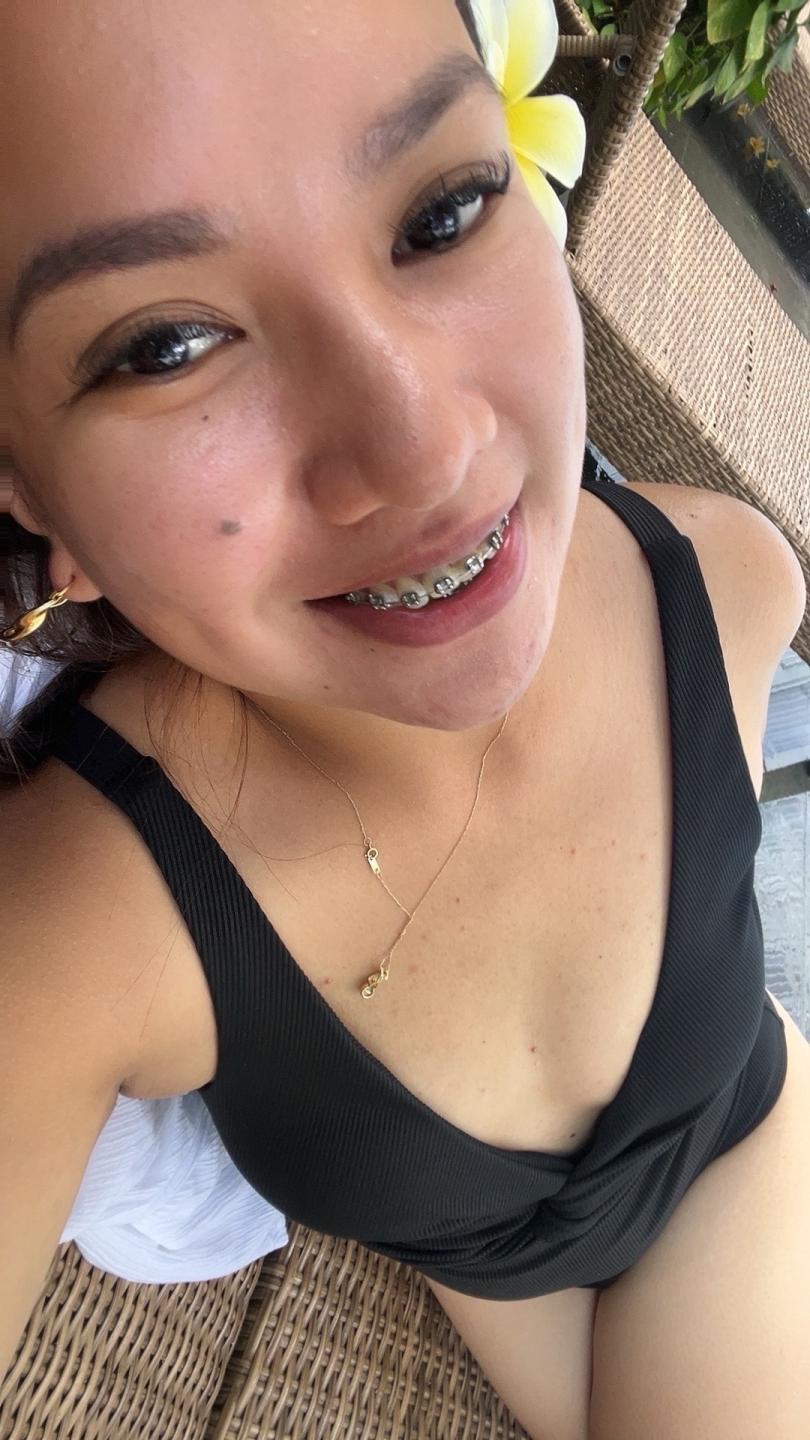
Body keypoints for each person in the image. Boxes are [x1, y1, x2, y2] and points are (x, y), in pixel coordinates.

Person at [2, 1, 809, 1436]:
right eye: (168, 345)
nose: (427, 451)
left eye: (442, 213)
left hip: (740, 1161)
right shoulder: (79, 926)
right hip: (501, 1278)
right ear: (26, 494)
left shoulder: (732, 581)